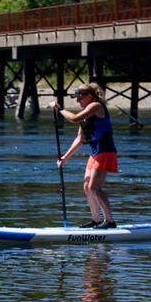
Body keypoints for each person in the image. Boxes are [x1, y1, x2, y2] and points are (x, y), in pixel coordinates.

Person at [53, 83, 119, 228]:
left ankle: (110, 221)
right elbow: (80, 139)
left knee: (94, 187)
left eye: (79, 98)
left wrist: (60, 109)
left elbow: (74, 118)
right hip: (95, 152)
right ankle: (95, 220)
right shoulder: (87, 115)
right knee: (87, 187)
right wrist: (65, 158)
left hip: (105, 151)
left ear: (90, 96)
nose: (77, 101)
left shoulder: (96, 106)